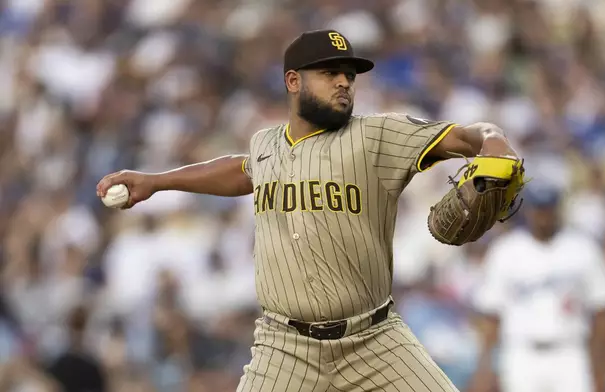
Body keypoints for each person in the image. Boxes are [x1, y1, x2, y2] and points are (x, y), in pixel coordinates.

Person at [97, 29, 521, 392]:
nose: (344, 83)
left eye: (349, 76)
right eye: (330, 73)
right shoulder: (266, 144)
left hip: (374, 339)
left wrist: (495, 139)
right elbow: (241, 172)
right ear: (293, 81)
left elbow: (470, 137)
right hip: (284, 347)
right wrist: (156, 181)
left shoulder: (377, 135)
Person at [467, 182, 605, 392]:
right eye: (538, 208)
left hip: (570, 352)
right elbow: (491, 315)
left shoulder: (581, 247)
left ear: (558, 209)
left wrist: (602, 366)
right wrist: (484, 369)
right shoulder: (506, 250)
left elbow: (604, 308)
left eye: (548, 208)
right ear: (528, 210)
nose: (543, 215)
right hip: (521, 353)